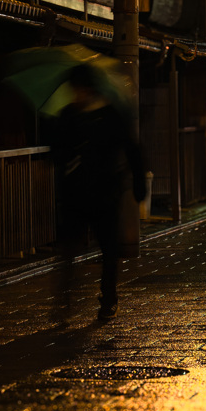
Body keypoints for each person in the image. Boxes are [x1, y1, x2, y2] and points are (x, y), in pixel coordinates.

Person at [52, 64, 145, 321]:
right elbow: (56, 151)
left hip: (105, 192)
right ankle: (64, 302)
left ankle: (108, 299)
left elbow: (131, 148)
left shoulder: (110, 114)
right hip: (75, 194)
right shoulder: (68, 115)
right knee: (69, 249)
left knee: (109, 249)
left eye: (79, 89)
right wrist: (67, 158)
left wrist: (138, 182)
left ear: (89, 89)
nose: (76, 94)